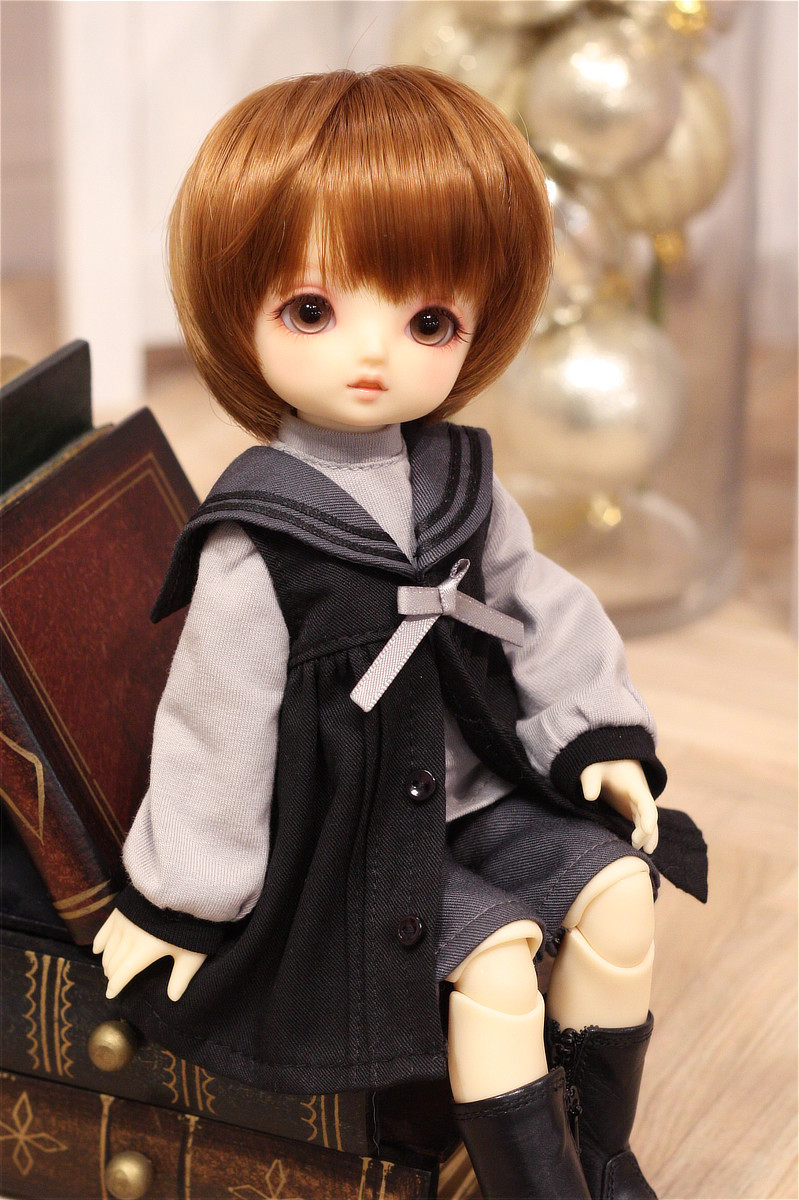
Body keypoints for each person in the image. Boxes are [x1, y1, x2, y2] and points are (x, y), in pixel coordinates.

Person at [94, 66, 707, 1200]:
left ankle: (601, 1159)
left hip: (479, 796)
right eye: (312, 311)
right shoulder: (258, 538)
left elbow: (539, 602)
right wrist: (180, 899)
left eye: (427, 321)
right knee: (499, 967)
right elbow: (216, 727)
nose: (369, 355)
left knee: (622, 890)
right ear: (239, 307)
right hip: (354, 848)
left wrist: (595, 732)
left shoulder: (460, 480)